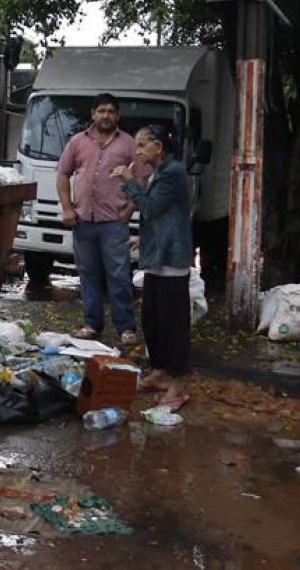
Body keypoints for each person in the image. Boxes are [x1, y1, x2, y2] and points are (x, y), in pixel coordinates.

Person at [111, 124, 192, 410]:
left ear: (159, 147)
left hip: (172, 262)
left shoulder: (173, 173)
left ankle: (178, 386)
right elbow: (163, 218)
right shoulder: (162, 171)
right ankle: (159, 373)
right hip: (158, 258)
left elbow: (150, 208)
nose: (138, 151)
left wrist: (130, 180)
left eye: (143, 145)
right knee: (153, 320)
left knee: (173, 326)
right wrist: (141, 239)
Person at [56, 93, 147, 345]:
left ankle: (126, 327)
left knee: (118, 275)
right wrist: (66, 208)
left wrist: (129, 209)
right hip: (82, 220)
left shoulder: (129, 144)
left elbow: (141, 179)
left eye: (110, 111)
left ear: (117, 116)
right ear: (93, 114)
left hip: (113, 222)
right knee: (87, 274)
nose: (106, 115)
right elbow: (63, 175)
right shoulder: (77, 142)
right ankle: (92, 324)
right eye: (101, 111)